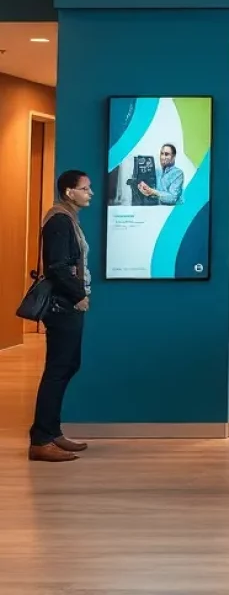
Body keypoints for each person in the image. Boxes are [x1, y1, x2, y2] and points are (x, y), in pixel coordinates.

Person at [28, 169, 93, 462]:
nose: (89, 193)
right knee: (58, 369)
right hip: (63, 306)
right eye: (85, 188)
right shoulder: (58, 220)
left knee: (67, 366)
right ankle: (41, 440)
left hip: (68, 305)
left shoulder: (67, 219)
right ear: (70, 192)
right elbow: (56, 266)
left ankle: (52, 433)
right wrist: (78, 296)